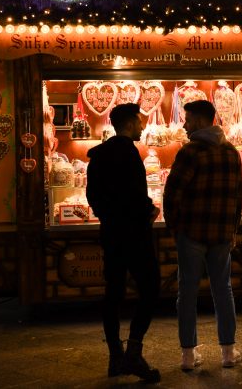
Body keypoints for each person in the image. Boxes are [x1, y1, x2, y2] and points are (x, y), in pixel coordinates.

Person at [163, 100, 242, 371]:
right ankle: (229, 352)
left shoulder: (190, 152)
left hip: (192, 232)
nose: (184, 125)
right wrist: (233, 229)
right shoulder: (232, 152)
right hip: (221, 233)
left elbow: (172, 192)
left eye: (187, 120)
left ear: (198, 121)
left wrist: (174, 227)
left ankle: (188, 355)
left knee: (187, 291)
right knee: (223, 290)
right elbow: (238, 197)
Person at [86, 103, 161, 383]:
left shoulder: (100, 155)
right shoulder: (129, 153)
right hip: (135, 235)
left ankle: (115, 356)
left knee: (113, 293)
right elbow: (133, 194)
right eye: (140, 123)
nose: (142, 127)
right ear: (129, 124)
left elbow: (93, 195)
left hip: (111, 234)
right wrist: (148, 210)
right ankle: (133, 353)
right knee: (151, 288)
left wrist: (109, 217)